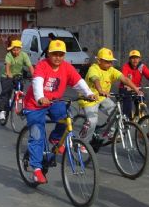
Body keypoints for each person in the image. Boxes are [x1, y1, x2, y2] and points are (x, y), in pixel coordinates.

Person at [23, 39, 96, 184]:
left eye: (60, 54)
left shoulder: (67, 67)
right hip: (35, 104)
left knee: (65, 117)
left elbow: (78, 81)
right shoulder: (42, 65)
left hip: (54, 102)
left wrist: (88, 93)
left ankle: (56, 138)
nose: (57, 57)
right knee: (37, 135)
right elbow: (37, 82)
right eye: (54, 54)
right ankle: (36, 170)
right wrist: (40, 97)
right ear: (48, 54)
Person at [78, 48, 141, 147]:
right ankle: (83, 143)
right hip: (89, 99)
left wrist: (136, 89)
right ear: (99, 61)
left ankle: (111, 133)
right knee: (93, 120)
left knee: (116, 111)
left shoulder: (111, 70)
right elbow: (95, 79)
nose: (110, 64)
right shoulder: (93, 68)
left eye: (111, 61)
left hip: (102, 98)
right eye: (107, 62)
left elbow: (124, 79)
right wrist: (100, 90)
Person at [0, 39, 34, 124]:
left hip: (18, 76)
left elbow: (30, 66)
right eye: (14, 49)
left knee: (20, 92)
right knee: (6, 93)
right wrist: (8, 73)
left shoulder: (24, 55)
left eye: (18, 49)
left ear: (20, 49)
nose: (16, 51)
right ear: (11, 49)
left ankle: (20, 107)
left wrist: (34, 76)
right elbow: (8, 65)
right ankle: (2, 111)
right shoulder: (9, 55)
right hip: (6, 76)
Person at [119, 50, 149, 119]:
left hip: (137, 89)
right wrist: (128, 86)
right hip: (125, 88)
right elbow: (124, 79)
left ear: (140, 59)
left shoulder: (142, 67)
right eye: (132, 58)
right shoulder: (126, 66)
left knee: (141, 98)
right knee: (127, 101)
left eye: (137, 58)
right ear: (129, 59)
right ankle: (127, 119)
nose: (135, 60)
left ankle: (139, 115)